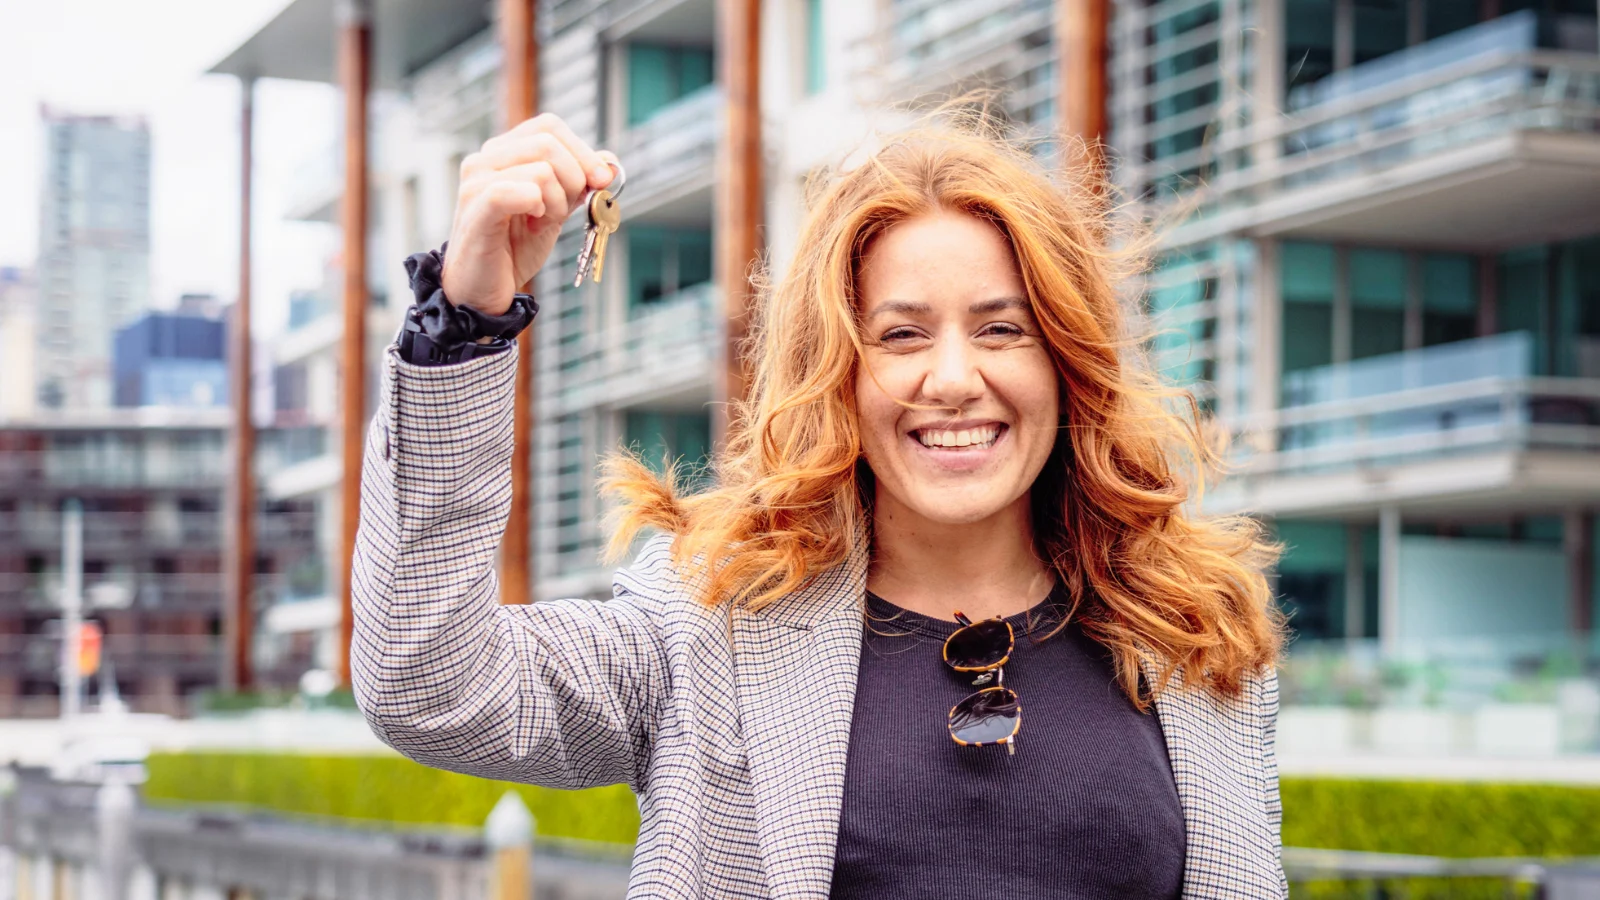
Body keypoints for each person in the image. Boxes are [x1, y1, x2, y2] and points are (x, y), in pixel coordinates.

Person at [351, 111, 1288, 899]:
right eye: (901, 334)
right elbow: (426, 682)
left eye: (1003, 329)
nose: (954, 378)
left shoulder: (1189, 635)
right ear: (836, 372)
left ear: (1067, 361)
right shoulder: (708, 623)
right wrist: (465, 324)